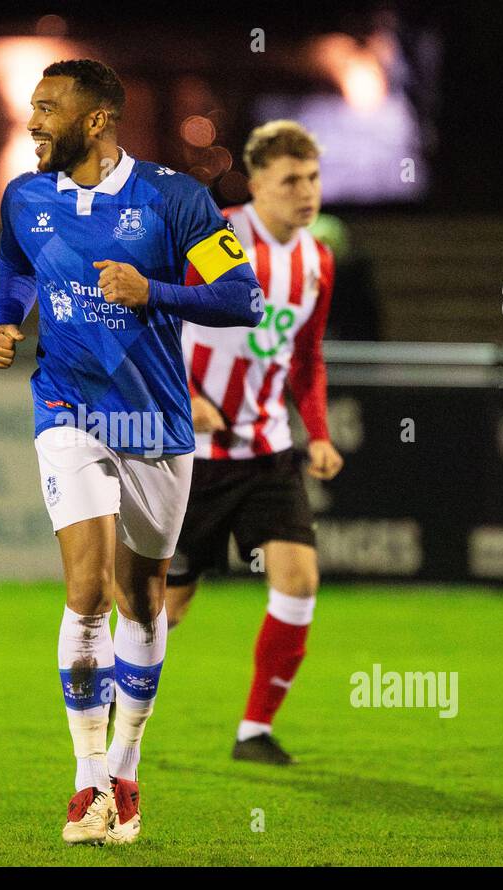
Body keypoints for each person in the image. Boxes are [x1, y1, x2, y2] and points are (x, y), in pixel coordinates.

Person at [0, 60, 262, 844]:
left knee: (143, 598)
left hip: (155, 426)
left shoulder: (175, 199)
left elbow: (241, 298)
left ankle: (128, 766)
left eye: (47, 108)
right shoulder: (26, 197)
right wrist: (10, 321)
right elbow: (14, 267)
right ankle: (86, 782)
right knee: (87, 589)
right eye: (32, 106)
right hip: (68, 408)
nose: (33, 120)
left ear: (98, 120)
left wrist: (155, 292)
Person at [165, 120, 343, 765]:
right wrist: (186, 395)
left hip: (268, 452)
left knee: (298, 582)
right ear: (259, 183)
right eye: (291, 180)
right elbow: (159, 318)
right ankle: (108, 713)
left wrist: (316, 434)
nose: (307, 192)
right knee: (170, 608)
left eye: (314, 178)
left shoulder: (317, 259)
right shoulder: (222, 239)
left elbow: (306, 358)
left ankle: (253, 733)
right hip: (192, 460)